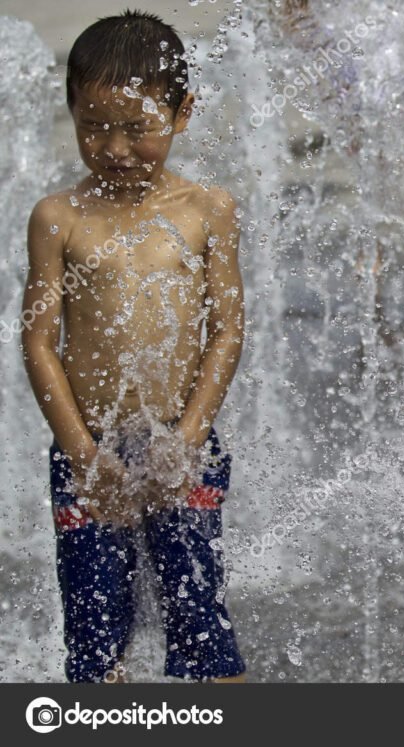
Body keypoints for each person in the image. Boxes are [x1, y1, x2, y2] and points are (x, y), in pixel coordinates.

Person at [21, 10, 246, 683]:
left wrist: (188, 433)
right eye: (94, 126)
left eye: (137, 127)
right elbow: (38, 341)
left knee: (202, 627)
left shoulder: (207, 209)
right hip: (87, 453)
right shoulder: (59, 217)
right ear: (72, 113)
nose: (115, 147)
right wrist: (83, 454)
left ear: (182, 114)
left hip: (182, 448)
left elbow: (228, 329)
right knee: (93, 643)